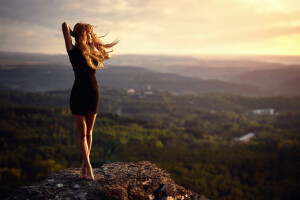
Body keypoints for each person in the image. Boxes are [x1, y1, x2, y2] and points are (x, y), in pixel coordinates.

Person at [62, 22, 119, 181]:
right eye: (87, 33)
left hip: (93, 94)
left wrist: (91, 37)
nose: (90, 36)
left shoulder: (92, 52)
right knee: (81, 133)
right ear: (80, 34)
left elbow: (106, 55)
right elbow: (64, 25)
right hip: (78, 95)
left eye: (90, 33)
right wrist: (75, 34)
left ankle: (83, 170)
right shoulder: (72, 50)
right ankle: (89, 168)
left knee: (89, 133)